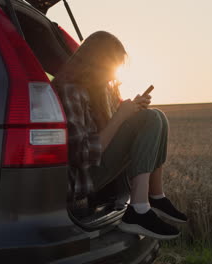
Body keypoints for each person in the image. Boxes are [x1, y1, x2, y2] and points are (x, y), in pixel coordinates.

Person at [52, 31, 187, 240]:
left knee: (156, 116)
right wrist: (121, 117)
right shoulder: (70, 91)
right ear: (95, 63)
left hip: (101, 171)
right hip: (84, 178)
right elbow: (83, 155)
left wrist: (130, 111)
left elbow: (115, 131)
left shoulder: (102, 90)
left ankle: (156, 196)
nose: (113, 75)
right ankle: (139, 210)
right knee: (150, 119)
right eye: (111, 66)